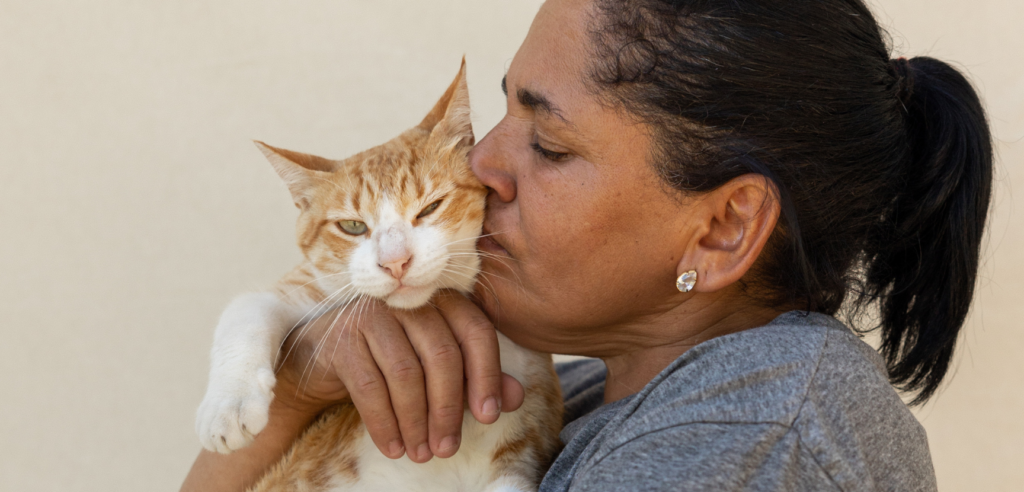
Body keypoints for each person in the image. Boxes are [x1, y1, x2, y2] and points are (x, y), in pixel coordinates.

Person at [182, 0, 993, 490]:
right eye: (502, 112)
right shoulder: (562, 397)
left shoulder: (746, 442)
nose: (481, 165)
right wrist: (294, 388)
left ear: (722, 229)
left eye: (550, 144)